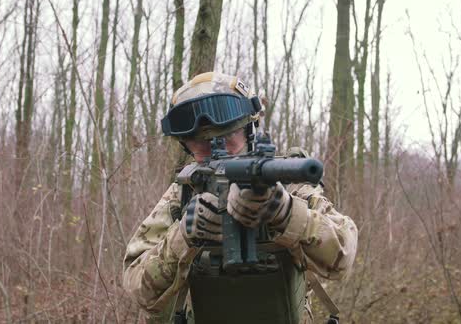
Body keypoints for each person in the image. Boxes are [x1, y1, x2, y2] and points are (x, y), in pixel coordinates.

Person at [123, 72, 358, 324]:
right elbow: (138, 290)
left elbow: (343, 256)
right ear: (186, 147)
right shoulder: (183, 196)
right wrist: (183, 236)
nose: (215, 152)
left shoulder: (287, 185)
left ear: (249, 131)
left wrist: (287, 213)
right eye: (200, 146)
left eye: (227, 139)